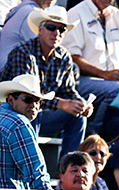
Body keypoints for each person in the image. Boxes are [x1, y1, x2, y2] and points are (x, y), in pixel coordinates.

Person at [3, 5, 91, 158]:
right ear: (40, 30)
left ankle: (68, 166)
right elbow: (24, 96)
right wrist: (61, 104)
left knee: (78, 116)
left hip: (42, 114)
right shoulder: (23, 52)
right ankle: (29, 163)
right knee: (31, 109)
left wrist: (81, 104)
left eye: (62, 30)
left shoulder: (64, 56)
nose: (56, 33)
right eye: (51, 27)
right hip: (12, 113)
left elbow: (69, 91)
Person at [64, 0, 119, 130]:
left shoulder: (115, 14)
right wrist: (104, 74)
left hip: (112, 81)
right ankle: (94, 133)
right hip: (81, 80)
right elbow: (72, 58)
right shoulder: (76, 13)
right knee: (117, 90)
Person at [0, 0, 53, 72]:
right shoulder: (31, 12)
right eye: (52, 28)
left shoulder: (27, 8)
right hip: (10, 74)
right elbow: (43, 49)